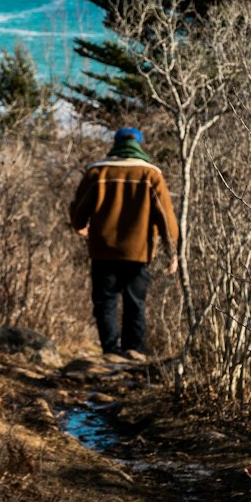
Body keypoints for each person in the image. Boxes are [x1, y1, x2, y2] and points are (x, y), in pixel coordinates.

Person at [69, 126, 179, 360]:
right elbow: (166, 217)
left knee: (105, 301)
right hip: (139, 252)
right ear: (139, 144)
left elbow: (79, 208)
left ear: (115, 143)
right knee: (135, 302)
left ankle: (110, 350)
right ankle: (133, 349)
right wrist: (172, 252)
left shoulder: (98, 171)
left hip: (103, 250)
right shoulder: (151, 174)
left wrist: (79, 225)